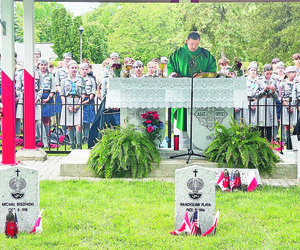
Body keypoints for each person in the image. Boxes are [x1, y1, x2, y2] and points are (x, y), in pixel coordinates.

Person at [167, 31, 217, 143]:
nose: (194, 46)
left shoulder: (205, 54)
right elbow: (170, 68)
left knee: (199, 119)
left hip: (200, 93)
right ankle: (184, 142)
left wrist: (203, 74)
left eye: (196, 44)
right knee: (183, 116)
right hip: (182, 92)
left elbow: (212, 71)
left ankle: (201, 142)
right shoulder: (178, 53)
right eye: (191, 44)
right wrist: (173, 74)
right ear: (186, 42)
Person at [60, 60, 85, 149]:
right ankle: (72, 144)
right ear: (68, 69)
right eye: (72, 68)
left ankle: (79, 145)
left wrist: (78, 105)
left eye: (75, 68)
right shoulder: (64, 80)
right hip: (68, 101)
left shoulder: (80, 80)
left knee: (78, 125)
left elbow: (83, 94)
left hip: (77, 101)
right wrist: (67, 106)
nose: (74, 69)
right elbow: (62, 94)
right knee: (69, 125)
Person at [256, 64, 278, 142]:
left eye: (270, 73)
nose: (269, 75)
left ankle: (269, 143)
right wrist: (264, 90)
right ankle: (261, 143)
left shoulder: (274, 80)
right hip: (262, 102)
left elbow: (277, 96)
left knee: (270, 124)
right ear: (263, 72)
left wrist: (273, 91)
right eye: (267, 74)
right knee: (262, 124)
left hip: (271, 102)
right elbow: (256, 95)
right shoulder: (258, 80)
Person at [281, 66, 299, 146]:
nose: (294, 74)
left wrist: (294, 106)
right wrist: (286, 105)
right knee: (286, 125)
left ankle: (295, 144)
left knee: (295, 124)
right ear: (288, 74)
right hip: (286, 105)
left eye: (295, 72)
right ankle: (287, 143)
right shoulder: (283, 83)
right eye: (293, 72)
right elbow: (280, 96)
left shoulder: (297, 83)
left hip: (294, 106)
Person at [79, 63, 96, 144]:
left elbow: (93, 91)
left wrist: (88, 99)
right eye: (83, 69)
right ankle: (79, 136)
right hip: (79, 100)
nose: (85, 71)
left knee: (87, 120)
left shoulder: (91, 79)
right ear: (80, 70)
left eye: (86, 69)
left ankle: (86, 136)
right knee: (79, 119)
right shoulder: (77, 79)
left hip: (89, 100)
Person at [39, 58, 55, 138]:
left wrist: (48, 98)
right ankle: (39, 136)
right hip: (38, 97)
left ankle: (47, 136)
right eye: (41, 65)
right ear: (38, 66)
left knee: (46, 118)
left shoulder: (50, 75)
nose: (43, 66)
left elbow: (53, 88)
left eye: (45, 65)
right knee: (38, 118)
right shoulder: (36, 75)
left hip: (47, 96)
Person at [54, 52, 72, 126]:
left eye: (69, 59)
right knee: (60, 111)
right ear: (63, 59)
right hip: (61, 94)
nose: (67, 60)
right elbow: (56, 84)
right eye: (66, 59)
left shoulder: (73, 70)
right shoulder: (59, 71)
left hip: (70, 95)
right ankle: (60, 127)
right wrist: (62, 93)